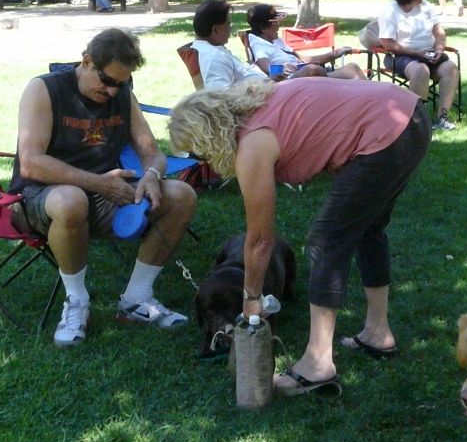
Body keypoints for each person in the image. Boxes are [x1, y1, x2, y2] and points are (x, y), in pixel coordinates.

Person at [170, 79, 431, 396]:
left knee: (325, 241)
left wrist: (251, 298)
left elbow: (260, 239)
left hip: (390, 129)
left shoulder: (252, 144)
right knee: (368, 228)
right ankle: (378, 333)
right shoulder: (257, 106)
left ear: (207, 137)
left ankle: (318, 363)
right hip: (408, 115)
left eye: (197, 151)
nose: (201, 161)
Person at [10, 28, 198, 346]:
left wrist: (152, 175)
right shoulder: (44, 89)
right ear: (87, 62)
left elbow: (152, 153)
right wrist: (99, 184)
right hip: (41, 196)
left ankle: (137, 299)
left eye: (121, 84)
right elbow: (31, 163)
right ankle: (76, 303)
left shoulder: (122, 95)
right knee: (71, 200)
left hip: (103, 194)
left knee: (182, 195)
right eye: (108, 81)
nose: (112, 91)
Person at [377, 0, 459, 131]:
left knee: (451, 68)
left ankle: (442, 117)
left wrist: (439, 49)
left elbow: (440, 33)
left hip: (429, 53)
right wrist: (416, 53)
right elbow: (387, 43)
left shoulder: (426, 6)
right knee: (421, 70)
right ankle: (418, 120)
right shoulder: (391, 11)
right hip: (400, 55)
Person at [246, 3, 367, 81]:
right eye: (275, 23)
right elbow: (265, 65)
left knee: (352, 68)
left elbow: (303, 58)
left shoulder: (275, 41)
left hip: (307, 75)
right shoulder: (258, 45)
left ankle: (371, 100)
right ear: (263, 28)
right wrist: (282, 68)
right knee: (313, 69)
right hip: (291, 80)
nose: (278, 26)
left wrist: (334, 54)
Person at [191, 0, 271, 90]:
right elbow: (220, 95)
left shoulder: (211, 48)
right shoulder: (212, 57)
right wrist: (258, 87)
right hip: (260, 96)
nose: (230, 29)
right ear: (215, 29)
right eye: (228, 25)